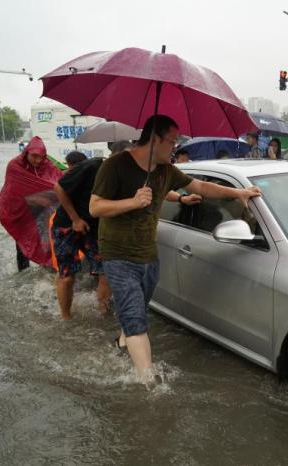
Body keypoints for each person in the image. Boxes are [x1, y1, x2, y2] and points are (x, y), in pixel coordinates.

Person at [89, 115, 261, 385]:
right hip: (118, 254)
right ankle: (150, 387)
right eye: (172, 141)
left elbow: (200, 186)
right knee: (136, 319)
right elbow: (95, 207)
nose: (176, 147)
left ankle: (123, 343)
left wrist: (236, 194)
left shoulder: (166, 171)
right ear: (155, 139)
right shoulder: (115, 165)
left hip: (148, 254)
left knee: (135, 310)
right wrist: (132, 202)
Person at [52, 154, 111, 320]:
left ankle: (102, 314)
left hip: (93, 227)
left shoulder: (123, 176)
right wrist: (75, 219)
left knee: (106, 273)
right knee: (68, 275)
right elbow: (58, 187)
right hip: (67, 224)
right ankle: (66, 318)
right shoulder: (91, 166)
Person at [0, 136, 63, 270]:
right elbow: (13, 191)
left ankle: (48, 266)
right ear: (26, 152)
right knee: (23, 241)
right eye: (34, 156)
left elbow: (59, 183)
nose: (37, 160)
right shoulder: (14, 166)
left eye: (41, 157)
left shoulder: (47, 164)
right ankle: (23, 271)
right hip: (20, 212)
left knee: (45, 241)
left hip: (41, 211)